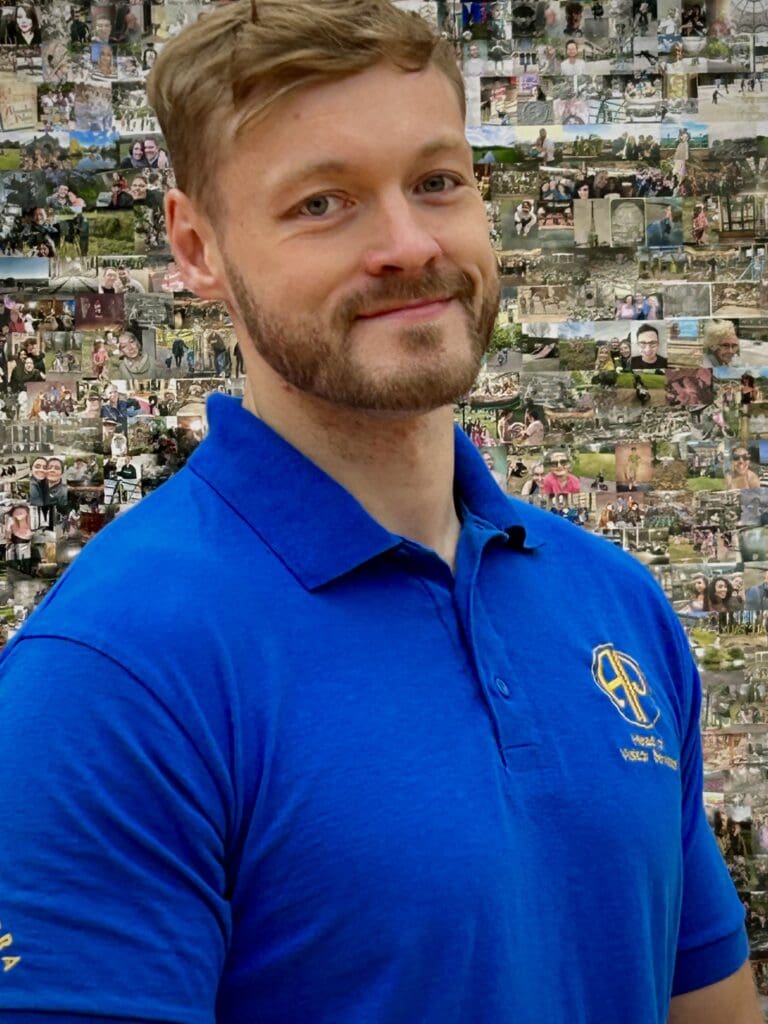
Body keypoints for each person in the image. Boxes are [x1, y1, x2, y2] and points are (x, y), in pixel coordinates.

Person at [0, 1, 757, 1021]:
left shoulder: (615, 603)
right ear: (197, 246)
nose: (406, 244)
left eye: (436, 182)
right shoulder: (114, 676)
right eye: (324, 203)